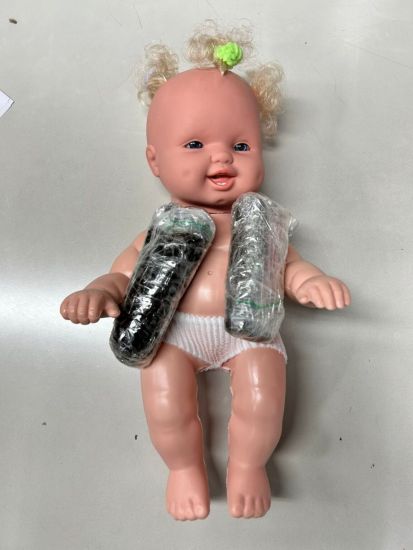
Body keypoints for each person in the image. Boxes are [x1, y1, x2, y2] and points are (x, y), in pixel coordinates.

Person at [60, 22, 351, 520]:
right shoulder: (161, 232)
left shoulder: (260, 226)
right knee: (167, 406)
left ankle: (249, 465)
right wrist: (100, 290)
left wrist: (310, 281)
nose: (222, 157)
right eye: (195, 145)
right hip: (174, 335)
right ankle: (183, 468)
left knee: (262, 402)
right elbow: (125, 276)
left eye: (241, 146)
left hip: (250, 333)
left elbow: (289, 265)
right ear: (155, 160)